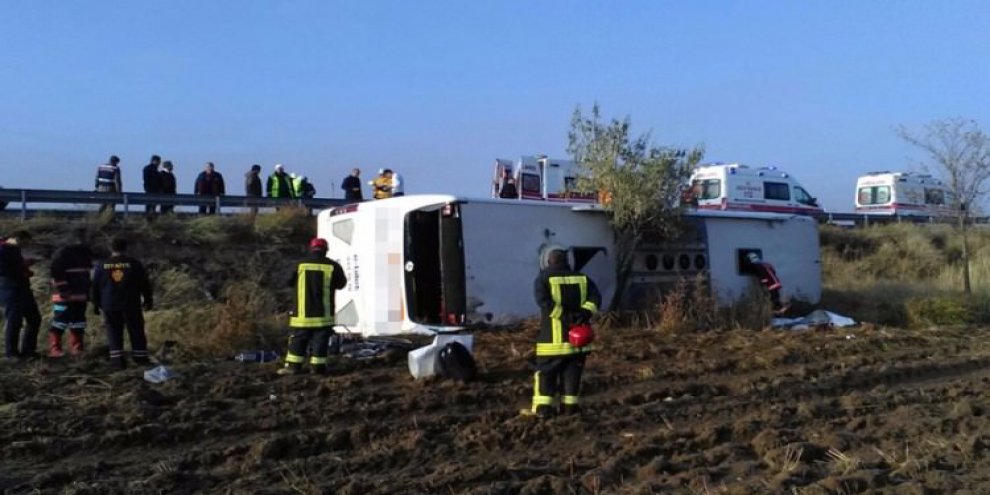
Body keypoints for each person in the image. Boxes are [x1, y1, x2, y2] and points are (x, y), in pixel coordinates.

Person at [530, 246, 601, 417]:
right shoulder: (583, 278)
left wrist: (565, 316)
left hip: (551, 342)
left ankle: (544, 409)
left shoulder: (542, 279)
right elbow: (595, 299)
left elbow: (544, 303)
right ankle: (570, 408)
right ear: (568, 261)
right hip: (578, 343)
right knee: (572, 375)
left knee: (546, 374)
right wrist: (583, 314)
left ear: (547, 261)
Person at [278, 237, 347, 376]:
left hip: (302, 314)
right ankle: (317, 369)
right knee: (320, 342)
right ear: (326, 250)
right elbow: (341, 284)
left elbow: (287, 282)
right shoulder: (333, 266)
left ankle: (293, 368)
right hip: (324, 314)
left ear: (311, 248)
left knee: (298, 340)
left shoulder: (300, 264)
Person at [92, 238, 153, 370]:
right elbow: (144, 284)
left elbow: (95, 286)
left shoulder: (102, 265)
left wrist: (95, 304)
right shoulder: (134, 264)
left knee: (113, 331)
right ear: (126, 247)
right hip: (130, 303)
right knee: (136, 330)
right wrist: (148, 300)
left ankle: (117, 362)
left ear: (111, 248)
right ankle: (140, 358)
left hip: (109, 304)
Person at [47, 228, 93, 357]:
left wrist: (89, 292)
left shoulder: (86, 253)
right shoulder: (62, 253)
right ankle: (54, 349)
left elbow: (87, 274)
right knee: (60, 321)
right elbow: (56, 273)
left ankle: (77, 348)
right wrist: (63, 289)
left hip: (80, 295)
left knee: (78, 321)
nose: (83, 240)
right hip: (63, 295)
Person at [0, 231, 41, 359]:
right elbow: (3, 270)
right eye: (25, 242)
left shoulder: (14, 250)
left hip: (23, 288)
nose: (25, 245)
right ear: (17, 238)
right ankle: (11, 353)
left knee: (34, 318)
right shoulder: (2, 250)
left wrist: (25, 269)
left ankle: (28, 351)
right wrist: (22, 267)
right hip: (9, 289)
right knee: (14, 320)